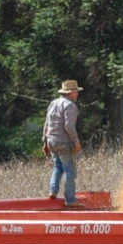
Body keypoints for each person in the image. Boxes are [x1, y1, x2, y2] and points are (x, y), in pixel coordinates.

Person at [43, 79, 83, 207]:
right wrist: (76, 142)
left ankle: (53, 191)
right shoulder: (70, 105)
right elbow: (69, 126)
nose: (77, 94)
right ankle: (70, 199)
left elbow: (46, 124)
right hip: (63, 141)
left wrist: (44, 142)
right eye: (76, 92)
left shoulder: (53, 103)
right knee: (70, 170)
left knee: (57, 167)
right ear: (70, 93)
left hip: (51, 140)